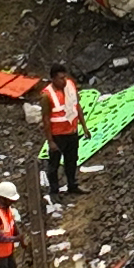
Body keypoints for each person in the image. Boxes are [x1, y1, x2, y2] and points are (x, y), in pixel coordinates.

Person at [43, 61, 86, 194]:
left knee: (72, 160)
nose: (64, 81)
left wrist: (84, 127)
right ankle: (54, 190)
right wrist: (50, 141)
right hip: (58, 135)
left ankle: (72, 185)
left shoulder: (70, 86)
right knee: (54, 165)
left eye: (65, 77)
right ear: (53, 79)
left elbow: (77, 106)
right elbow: (45, 119)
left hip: (72, 132)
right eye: (61, 78)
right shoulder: (47, 95)